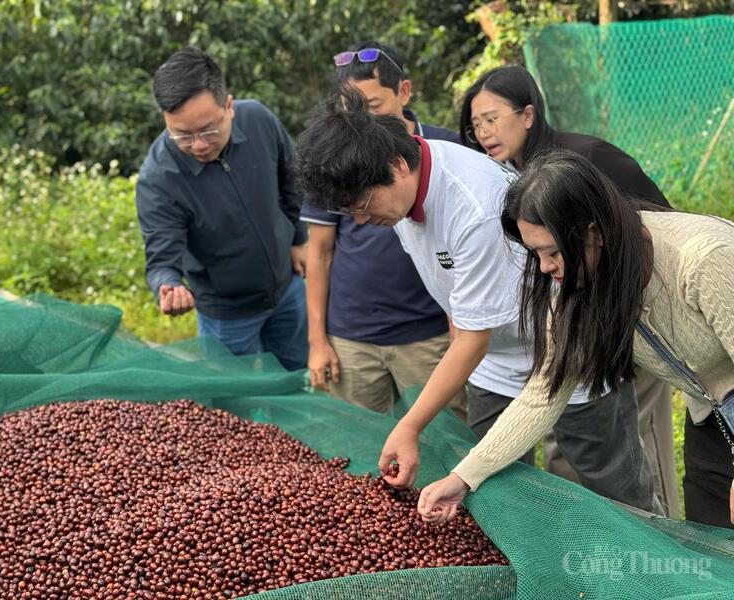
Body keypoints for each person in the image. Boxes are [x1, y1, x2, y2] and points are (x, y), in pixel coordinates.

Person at [295, 89, 661, 514]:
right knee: (498, 503)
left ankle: (652, 575)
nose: (361, 221)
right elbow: (457, 301)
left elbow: (472, 339)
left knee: (617, 499)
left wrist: (410, 426)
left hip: (571, 358)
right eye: (349, 212)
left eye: (361, 205)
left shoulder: (474, 206)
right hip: (496, 369)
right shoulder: (397, 193)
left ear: (396, 166)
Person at [418, 150, 734, 528]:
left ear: (593, 232)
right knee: (713, 536)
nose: (545, 267)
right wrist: (464, 477)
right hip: (713, 413)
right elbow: (544, 394)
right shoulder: (580, 284)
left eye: (552, 252)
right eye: (535, 254)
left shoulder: (705, 261)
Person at [459, 65, 679, 517]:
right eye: (475, 124)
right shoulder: (508, 179)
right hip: (583, 325)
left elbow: (659, 232)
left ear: (528, 114)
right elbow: (543, 393)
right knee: (567, 462)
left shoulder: (591, 158)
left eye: (492, 118)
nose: (483, 132)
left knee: (638, 454)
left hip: (646, 321)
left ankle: (667, 549)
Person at [302, 41, 466, 418]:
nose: (361, 121)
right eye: (351, 108)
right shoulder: (334, 155)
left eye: (372, 107)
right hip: (353, 336)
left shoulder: (445, 149)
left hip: (428, 334)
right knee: (362, 446)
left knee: (444, 440)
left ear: (404, 91)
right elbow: (320, 252)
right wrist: (317, 341)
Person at [135, 48, 309, 371]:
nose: (198, 145)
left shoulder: (258, 120)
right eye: (182, 135)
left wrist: (299, 237)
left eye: (208, 130)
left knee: (298, 376)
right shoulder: (159, 177)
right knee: (232, 404)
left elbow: (292, 178)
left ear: (229, 106)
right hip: (225, 314)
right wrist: (168, 285)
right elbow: (161, 257)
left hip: (288, 287)